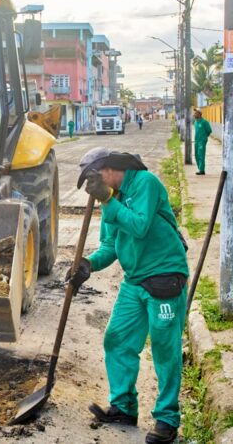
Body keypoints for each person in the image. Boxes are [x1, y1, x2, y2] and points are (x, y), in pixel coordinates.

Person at [67, 147, 188, 444]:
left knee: (164, 350)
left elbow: (139, 226)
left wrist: (108, 200)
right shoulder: (111, 199)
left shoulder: (144, 183)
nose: (94, 186)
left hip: (163, 277)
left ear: (109, 169)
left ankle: (167, 419)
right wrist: (88, 264)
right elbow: (110, 246)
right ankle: (123, 407)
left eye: (95, 178)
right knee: (117, 339)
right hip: (134, 281)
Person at [193, 109, 213, 176]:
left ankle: (202, 170)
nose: (194, 114)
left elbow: (209, 130)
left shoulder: (204, 122)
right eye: (194, 113)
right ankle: (200, 168)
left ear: (199, 114)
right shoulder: (195, 122)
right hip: (196, 140)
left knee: (201, 154)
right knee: (196, 155)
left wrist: (204, 137)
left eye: (196, 113)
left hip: (202, 141)